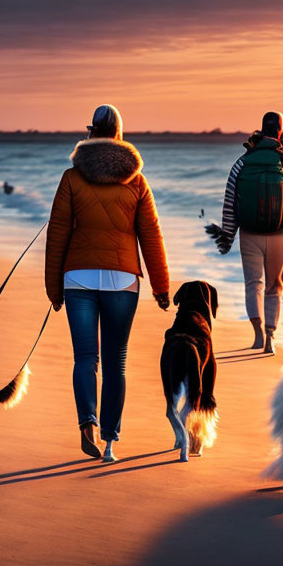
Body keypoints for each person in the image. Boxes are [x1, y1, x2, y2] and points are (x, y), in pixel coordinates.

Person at [45, 104, 170, 462]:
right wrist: (161, 288)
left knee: (86, 357)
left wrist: (54, 287)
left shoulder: (71, 178)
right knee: (116, 362)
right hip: (122, 280)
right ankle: (111, 442)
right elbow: (151, 236)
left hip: (78, 278)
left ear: (90, 131)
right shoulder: (137, 181)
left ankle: (87, 422)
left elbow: (57, 235)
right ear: (119, 133)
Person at [216, 111, 283, 355]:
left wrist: (228, 235)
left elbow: (230, 201)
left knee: (253, 283)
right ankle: (270, 337)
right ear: (280, 132)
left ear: (261, 131)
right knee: (274, 287)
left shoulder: (242, 162)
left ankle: (256, 334)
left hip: (249, 233)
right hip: (279, 235)